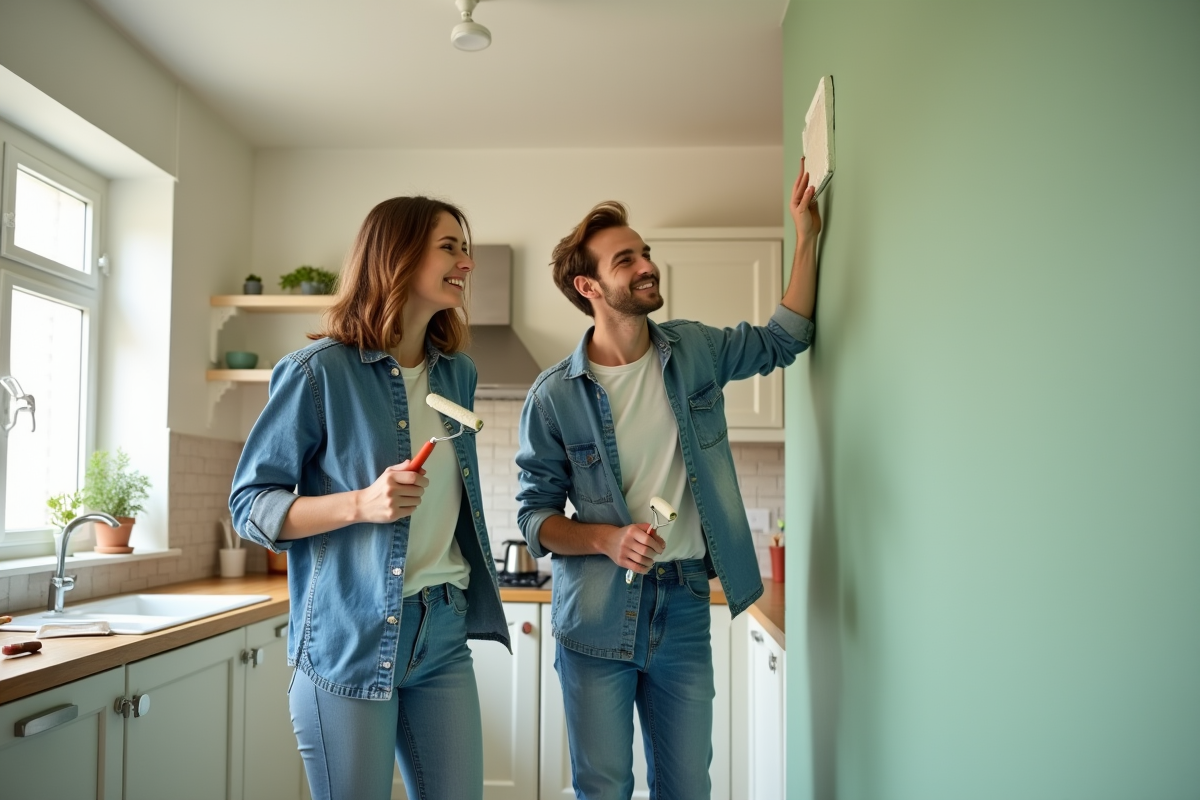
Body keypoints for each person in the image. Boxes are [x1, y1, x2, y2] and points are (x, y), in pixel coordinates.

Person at [515, 163, 822, 800]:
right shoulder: (552, 398)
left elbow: (782, 340)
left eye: (645, 252)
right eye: (626, 259)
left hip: (682, 605)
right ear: (589, 286)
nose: (647, 264)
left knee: (687, 789)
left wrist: (807, 235)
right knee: (602, 790)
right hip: (596, 616)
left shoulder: (694, 350)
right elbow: (533, 519)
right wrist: (604, 539)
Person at [229, 196, 509, 800]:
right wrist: (360, 503)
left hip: (442, 628)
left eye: (466, 248)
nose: (468, 262)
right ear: (399, 257)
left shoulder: (456, 373)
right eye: (450, 247)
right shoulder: (316, 372)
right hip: (348, 636)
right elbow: (249, 505)